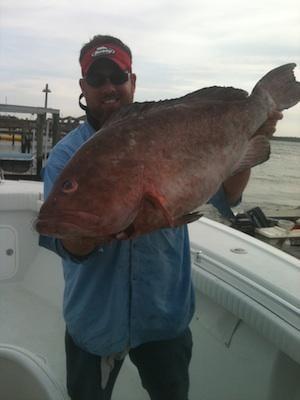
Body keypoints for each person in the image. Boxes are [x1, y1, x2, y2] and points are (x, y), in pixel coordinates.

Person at [39, 34, 282, 400]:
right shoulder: (64, 157)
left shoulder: (173, 129)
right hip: (96, 319)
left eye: (117, 76)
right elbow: (66, 240)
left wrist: (249, 130)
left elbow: (227, 195)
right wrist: (97, 222)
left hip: (164, 315)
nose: (109, 86)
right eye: (97, 78)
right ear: (83, 87)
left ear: (132, 81)